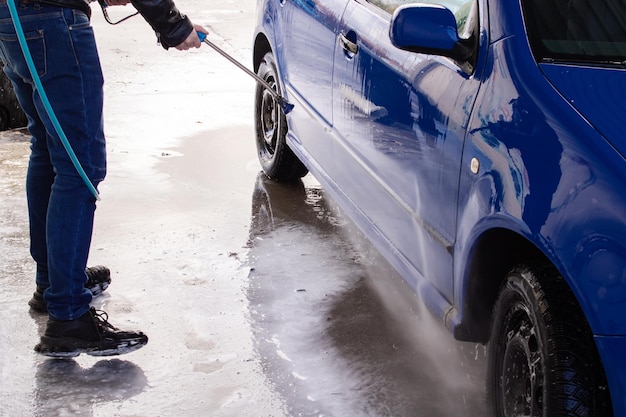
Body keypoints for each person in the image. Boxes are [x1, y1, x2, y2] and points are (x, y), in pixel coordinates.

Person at [0, 0, 208, 357]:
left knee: (50, 151)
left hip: (16, 19)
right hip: (52, 23)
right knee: (80, 165)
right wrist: (173, 25)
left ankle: (53, 283)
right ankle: (68, 316)